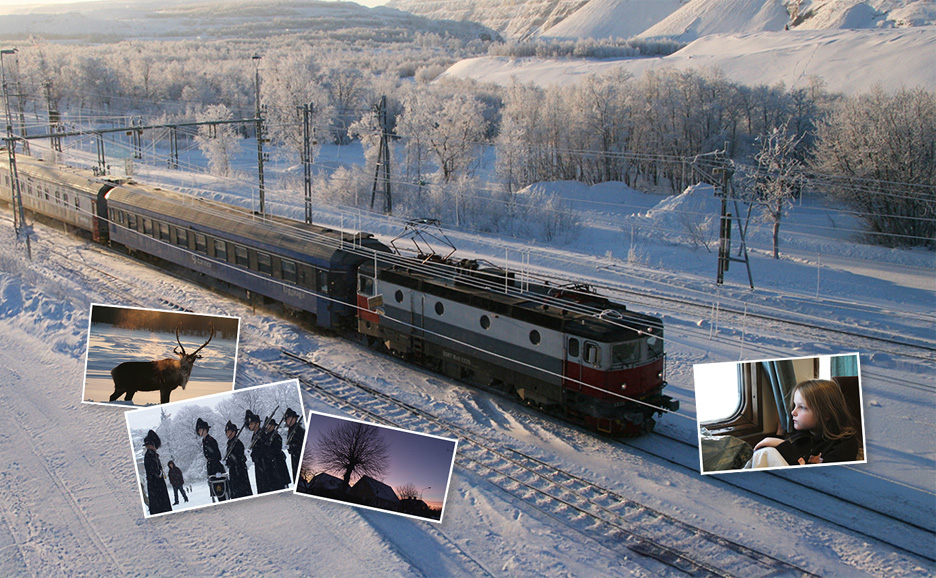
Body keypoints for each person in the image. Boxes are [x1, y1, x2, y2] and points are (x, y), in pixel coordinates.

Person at [750, 379, 859, 468]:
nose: (793, 412)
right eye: (794, 405)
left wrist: (782, 445)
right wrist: (779, 434)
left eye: (802, 407)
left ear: (825, 414)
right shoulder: (803, 434)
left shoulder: (844, 444)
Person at [196, 417, 227, 501]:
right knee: (215, 491)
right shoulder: (205, 441)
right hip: (211, 468)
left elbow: (217, 456)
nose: (198, 432)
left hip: (216, 467)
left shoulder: (211, 440)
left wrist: (218, 471)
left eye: (199, 429)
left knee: (220, 491)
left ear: (204, 430)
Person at [143, 430, 172, 515]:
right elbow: (153, 470)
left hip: (156, 486)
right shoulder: (150, 455)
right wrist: (158, 474)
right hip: (156, 487)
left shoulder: (152, 455)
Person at [224, 420, 253, 499]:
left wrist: (228, 462)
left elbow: (238, 459)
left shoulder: (237, 443)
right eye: (226, 432)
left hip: (239, 472)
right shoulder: (230, 443)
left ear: (233, 432)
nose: (227, 434)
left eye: (228, 431)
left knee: (242, 494)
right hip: (234, 472)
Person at [283, 407, 305, 483]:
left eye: (288, 418)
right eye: (286, 419)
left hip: (300, 457)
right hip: (294, 457)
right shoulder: (291, 430)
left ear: (294, 418)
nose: (286, 421)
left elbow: (301, 444)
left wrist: (291, 446)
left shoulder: (299, 430)